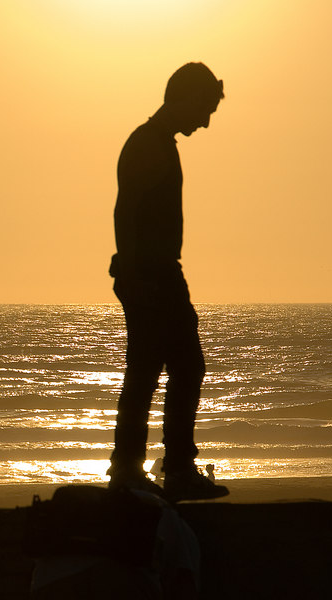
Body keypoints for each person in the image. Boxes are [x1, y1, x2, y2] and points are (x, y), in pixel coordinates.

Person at [108, 63, 229, 502]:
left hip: (155, 269)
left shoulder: (158, 143)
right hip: (151, 271)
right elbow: (125, 211)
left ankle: (155, 467)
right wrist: (136, 274)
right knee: (153, 369)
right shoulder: (148, 145)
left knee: (169, 367)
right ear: (185, 98)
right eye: (204, 109)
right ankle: (144, 468)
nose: (205, 121)